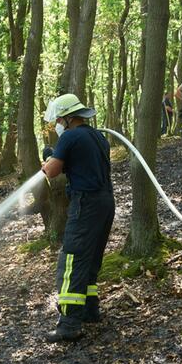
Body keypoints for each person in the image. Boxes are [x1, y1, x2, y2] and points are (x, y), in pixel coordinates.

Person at [41, 94, 115, 343]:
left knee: (71, 260)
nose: (58, 125)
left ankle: (69, 324)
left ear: (67, 117)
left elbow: (52, 172)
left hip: (85, 204)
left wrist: (48, 159)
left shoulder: (71, 136)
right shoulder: (97, 136)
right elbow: (82, 163)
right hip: (105, 202)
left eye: (59, 120)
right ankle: (90, 311)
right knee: (91, 258)